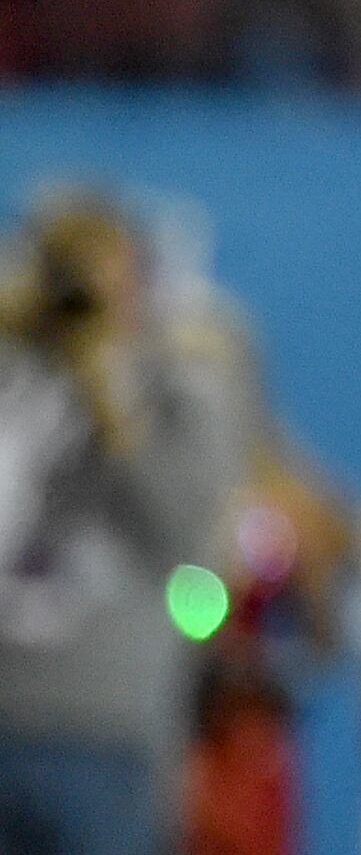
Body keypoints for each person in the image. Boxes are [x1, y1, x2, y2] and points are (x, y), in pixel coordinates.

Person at [0, 186, 247, 855]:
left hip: (106, 729)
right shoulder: (13, 369)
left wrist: (112, 389)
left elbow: (188, 527)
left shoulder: (175, 382)